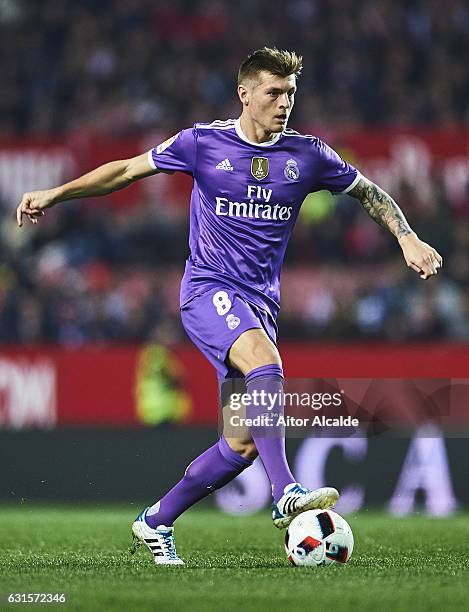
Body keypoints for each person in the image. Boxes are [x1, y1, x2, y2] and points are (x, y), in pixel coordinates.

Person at [17, 47, 443, 566]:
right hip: (207, 291)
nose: (284, 102)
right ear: (245, 94)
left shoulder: (308, 155)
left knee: (241, 443)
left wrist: (408, 239)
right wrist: (55, 194)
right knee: (266, 364)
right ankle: (286, 493)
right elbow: (126, 171)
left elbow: (370, 192)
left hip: (261, 303)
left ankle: (155, 521)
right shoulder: (201, 143)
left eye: (290, 93)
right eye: (273, 93)